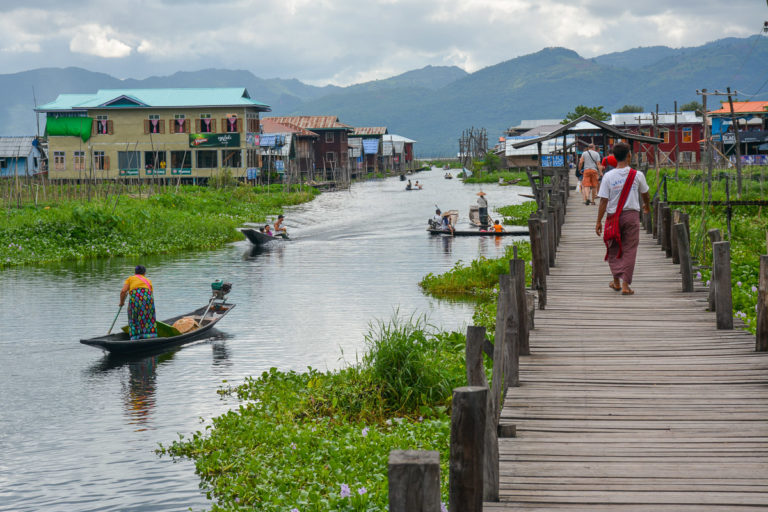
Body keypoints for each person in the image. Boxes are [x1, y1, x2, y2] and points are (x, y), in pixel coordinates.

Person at [595, 142, 651, 296]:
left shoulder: (608, 176)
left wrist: (599, 221)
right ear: (628, 155)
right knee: (630, 249)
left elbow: (603, 201)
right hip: (631, 216)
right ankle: (626, 285)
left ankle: (616, 282)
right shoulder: (637, 175)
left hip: (613, 218)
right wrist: (647, 206)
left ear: (613, 157)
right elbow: (645, 193)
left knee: (613, 247)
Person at [119, 265, 158, 340]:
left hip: (136, 300)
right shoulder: (148, 281)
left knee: (134, 316)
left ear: (135, 272)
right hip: (148, 299)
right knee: (148, 316)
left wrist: (121, 302)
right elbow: (150, 294)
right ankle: (149, 336)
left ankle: (135, 337)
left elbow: (123, 291)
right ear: (144, 273)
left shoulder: (130, 279)